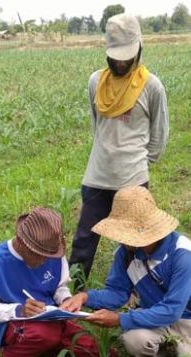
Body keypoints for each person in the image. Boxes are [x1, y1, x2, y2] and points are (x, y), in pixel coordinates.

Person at [62, 186, 191, 357]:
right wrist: (85, 297)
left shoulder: (182, 253)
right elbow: (118, 293)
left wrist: (120, 319)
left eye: (125, 234)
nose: (121, 240)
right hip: (154, 318)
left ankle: (190, 351)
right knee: (134, 340)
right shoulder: (126, 254)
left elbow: (172, 310)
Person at [69, 13, 169, 290]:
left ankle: (135, 295)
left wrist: (136, 163)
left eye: (127, 55)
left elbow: (159, 135)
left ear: (139, 48)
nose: (121, 62)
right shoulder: (95, 82)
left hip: (133, 179)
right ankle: (71, 295)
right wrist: (109, 154)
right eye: (116, 56)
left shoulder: (151, 87)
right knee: (84, 241)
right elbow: (97, 126)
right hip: (97, 176)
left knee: (136, 242)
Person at [0, 207, 113, 357]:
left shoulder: (52, 250)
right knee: (44, 335)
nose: (44, 261)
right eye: (39, 255)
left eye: (49, 255)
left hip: (52, 318)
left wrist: (66, 300)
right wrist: (19, 310)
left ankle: (48, 349)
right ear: (21, 241)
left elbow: (60, 286)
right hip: (16, 323)